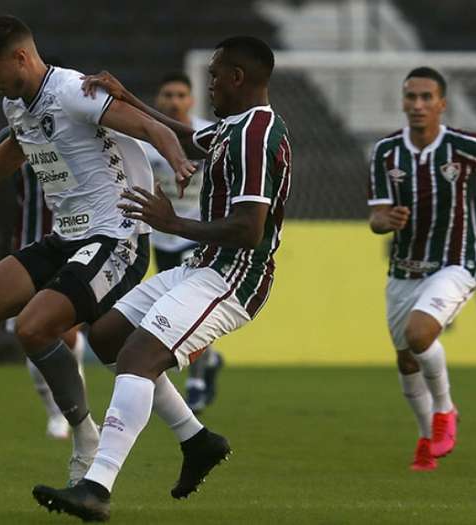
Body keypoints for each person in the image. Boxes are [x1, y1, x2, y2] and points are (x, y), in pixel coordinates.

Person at [0, 14, 198, 489]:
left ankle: (87, 438)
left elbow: (147, 126)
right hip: (67, 237)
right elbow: (15, 149)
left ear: (20, 57)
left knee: (34, 327)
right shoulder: (16, 104)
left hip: (116, 238)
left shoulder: (72, 92)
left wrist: (178, 159)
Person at [33, 36, 292, 521]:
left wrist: (175, 224)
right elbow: (194, 139)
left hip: (235, 277)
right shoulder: (236, 126)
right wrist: (128, 97)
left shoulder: (256, 136)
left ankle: (97, 486)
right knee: (109, 335)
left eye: (214, 75)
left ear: (238, 78)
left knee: (138, 357)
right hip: (204, 266)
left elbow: (250, 229)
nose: (208, 83)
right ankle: (198, 441)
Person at [366, 67, 476, 471]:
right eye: (411, 96)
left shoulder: (465, 146)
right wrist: (386, 221)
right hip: (404, 267)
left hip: (458, 259)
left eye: (426, 97)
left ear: (442, 104)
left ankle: (445, 411)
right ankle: (425, 440)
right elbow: (375, 217)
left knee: (419, 334)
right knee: (406, 360)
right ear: (403, 101)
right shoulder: (385, 152)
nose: (417, 104)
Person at [0, 126, 87, 440]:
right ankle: (57, 413)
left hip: (74, 247)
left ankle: (75, 408)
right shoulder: (12, 134)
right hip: (27, 250)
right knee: (30, 333)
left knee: (63, 332)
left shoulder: (78, 129)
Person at [142, 72, 223, 413]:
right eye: (167, 94)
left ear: (191, 100)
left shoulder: (207, 134)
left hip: (197, 234)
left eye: (180, 95)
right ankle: (211, 359)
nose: (174, 101)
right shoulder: (147, 141)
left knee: (192, 309)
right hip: (163, 238)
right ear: (158, 100)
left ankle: (196, 379)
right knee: (172, 307)